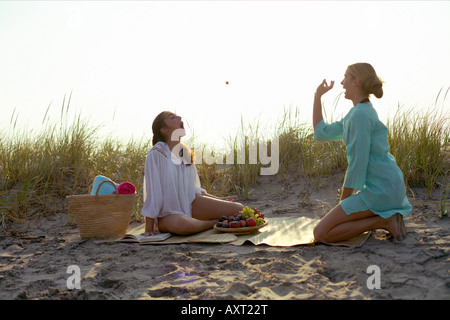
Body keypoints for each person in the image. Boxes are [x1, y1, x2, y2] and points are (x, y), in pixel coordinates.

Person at [312, 63, 412, 243]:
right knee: (328, 227)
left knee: (321, 233)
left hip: (381, 190)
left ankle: (385, 220)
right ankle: (386, 218)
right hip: (385, 187)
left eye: (346, 77)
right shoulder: (357, 113)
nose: (342, 83)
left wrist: (343, 202)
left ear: (356, 81)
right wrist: (317, 96)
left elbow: (358, 163)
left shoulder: (361, 115)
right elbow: (322, 133)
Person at [141, 111, 244, 236]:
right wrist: (149, 229)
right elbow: (153, 192)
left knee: (238, 209)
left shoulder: (185, 153)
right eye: (172, 117)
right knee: (183, 225)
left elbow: (192, 189)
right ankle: (214, 223)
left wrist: (217, 200)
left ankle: (200, 222)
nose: (179, 117)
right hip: (168, 214)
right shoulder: (157, 153)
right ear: (163, 129)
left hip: (189, 204)